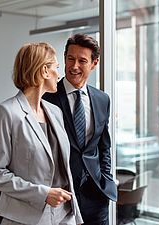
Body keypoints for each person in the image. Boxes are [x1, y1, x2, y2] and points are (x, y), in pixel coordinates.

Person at [0, 42, 83, 225]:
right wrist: (43, 194)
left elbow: (63, 169)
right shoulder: (5, 112)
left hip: (64, 214)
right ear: (44, 71)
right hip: (25, 218)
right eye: (56, 68)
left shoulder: (55, 112)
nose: (59, 74)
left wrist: (74, 215)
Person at [43, 33, 117, 225]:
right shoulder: (46, 98)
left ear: (94, 63)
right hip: (61, 195)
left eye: (82, 61)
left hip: (96, 194)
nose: (74, 66)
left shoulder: (102, 99)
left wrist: (105, 178)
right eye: (70, 59)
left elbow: (104, 145)